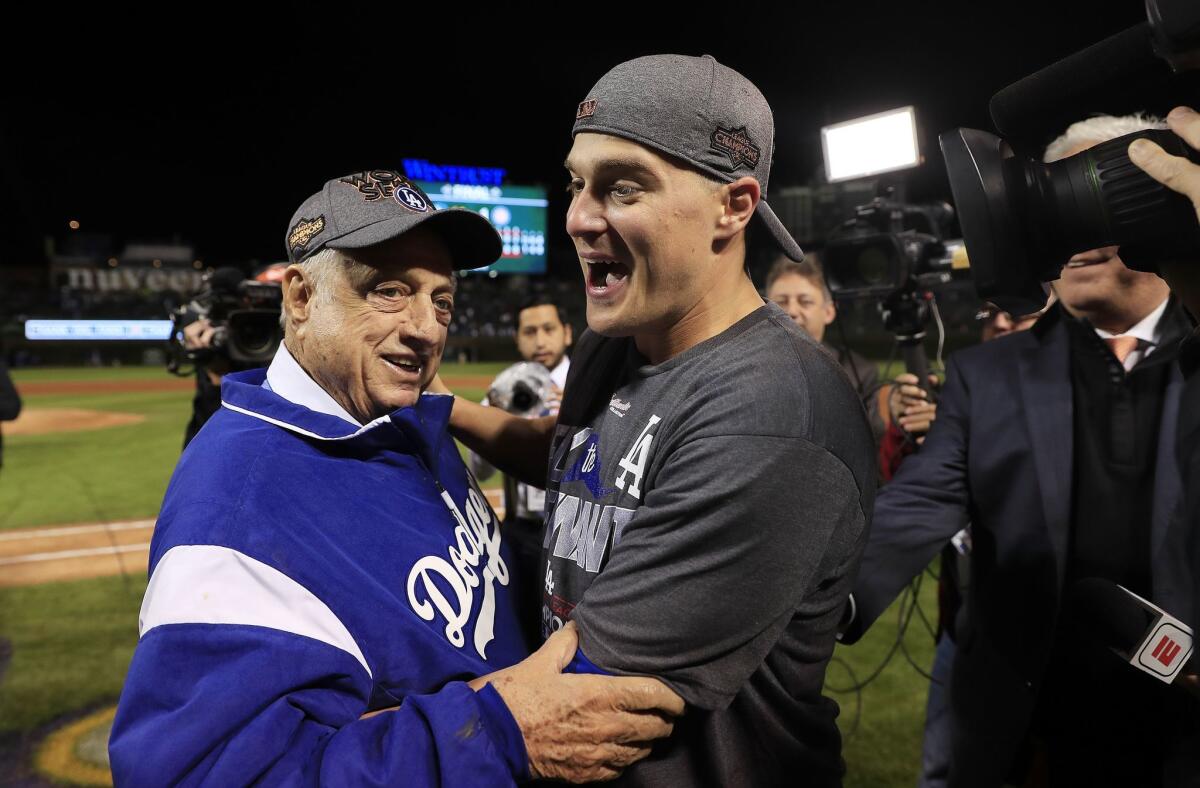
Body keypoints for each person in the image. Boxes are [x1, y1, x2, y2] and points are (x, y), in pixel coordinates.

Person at [109, 170, 683, 786]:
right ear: (301, 299)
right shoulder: (234, 512)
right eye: (388, 290)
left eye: (441, 300)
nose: (427, 327)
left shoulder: (395, 416)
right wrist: (499, 732)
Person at [434, 55, 876, 786]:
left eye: (623, 187)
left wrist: (330, 756)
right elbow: (578, 463)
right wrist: (439, 404)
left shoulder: (770, 413)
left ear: (733, 207)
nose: (577, 216)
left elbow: (566, 694)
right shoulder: (616, 341)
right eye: (577, 183)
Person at [841, 114, 1199, 787]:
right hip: (1025, 741)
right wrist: (815, 601)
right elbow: (913, 508)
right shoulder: (989, 375)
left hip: (1180, 740)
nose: (1072, 233)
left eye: (1098, 198)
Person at [470, 296, 572, 645]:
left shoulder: (587, 383)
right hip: (521, 531)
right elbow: (479, 471)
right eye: (530, 331)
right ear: (518, 338)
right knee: (521, 626)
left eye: (548, 329)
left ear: (567, 334)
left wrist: (575, 417)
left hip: (571, 532)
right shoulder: (503, 388)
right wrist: (498, 420)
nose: (540, 340)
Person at [765, 256, 884, 443]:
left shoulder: (859, 374)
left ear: (829, 312)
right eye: (781, 302)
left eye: (805, 302)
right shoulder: (744, 368)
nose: (792, 311)